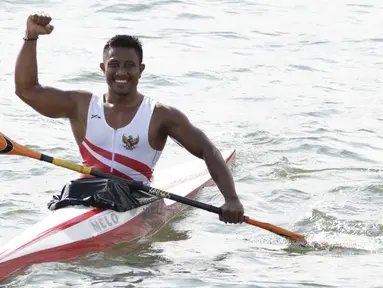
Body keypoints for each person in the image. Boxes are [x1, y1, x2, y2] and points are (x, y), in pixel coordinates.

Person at [14, 12, 245, 224]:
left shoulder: (160, 115)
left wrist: (231, 199)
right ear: (103, 68)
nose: (121, 72)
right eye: (114, 65)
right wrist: (31, 37)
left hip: (136, 197)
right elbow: (27, 90)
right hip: (85, 194)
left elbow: (208, 150)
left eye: (129, 66)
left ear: (141, 69)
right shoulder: (81, 105)